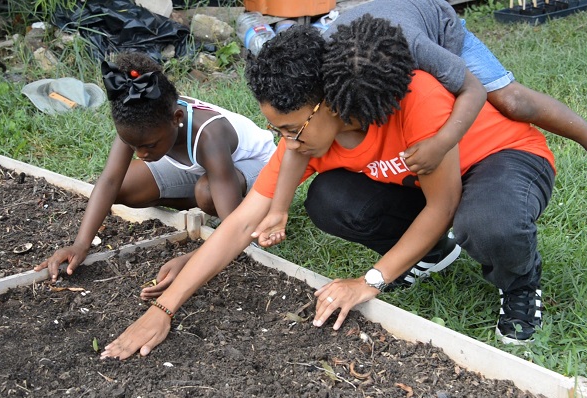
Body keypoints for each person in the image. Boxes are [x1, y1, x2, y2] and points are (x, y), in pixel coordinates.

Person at [100, 17, 557, 360]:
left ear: (330, 101)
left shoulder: (415, 100)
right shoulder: (307, 137)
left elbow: (444, 204)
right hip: (426, 180)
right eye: (278, 130)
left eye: (293, 129)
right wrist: (165, 310)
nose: (288, 142)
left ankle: (520, 282)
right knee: (331, 199)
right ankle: (434, 252)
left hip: (501, 159)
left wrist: (369, 281)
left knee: (487, 223)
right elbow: (242, 221)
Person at [251, 0, 587, 247]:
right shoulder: (324, 74)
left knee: (512, 100)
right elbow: (295, 147)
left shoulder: (416, 48)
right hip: (377, 40)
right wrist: (279, 207)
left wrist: (441, 142)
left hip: (436, 26)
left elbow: (473, 91)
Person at [35, 52, 276, 287]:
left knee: (208, 192)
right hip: (206, 170)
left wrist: (192, 260)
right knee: (124, 188)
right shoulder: (140, 123)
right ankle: (214, 203)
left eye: (149, 146)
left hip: (257, 167)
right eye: (133, 145)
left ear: (176, 118)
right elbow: (110, 181)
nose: (141, 154)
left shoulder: (209, 135)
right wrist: (80, 245)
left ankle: (251, 209)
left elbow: (235, 229)